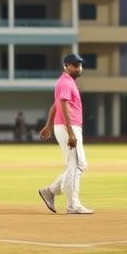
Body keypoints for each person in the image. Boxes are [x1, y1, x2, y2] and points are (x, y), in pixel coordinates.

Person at [37, 53, 93, 214]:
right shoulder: (65, 82)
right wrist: (71, 133)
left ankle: (50, 191)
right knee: (77, 165)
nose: (78, 68)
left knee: (76, 165)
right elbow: (62, 106)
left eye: (80, 65)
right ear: (66, 66)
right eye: (75, 65)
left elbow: (55, 106)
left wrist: (48, 125)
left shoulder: (65, 82)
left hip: (66, 127)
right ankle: (72, 205)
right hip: (69, 127)